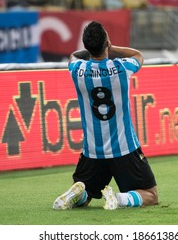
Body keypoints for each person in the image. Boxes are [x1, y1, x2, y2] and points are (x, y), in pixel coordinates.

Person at [53, 21, 158, 210]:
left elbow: (74, 56)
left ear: (87, 45)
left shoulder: (78, 70)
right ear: (106, 42)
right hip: (124, 148)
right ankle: (119, 199)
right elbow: (138, 55)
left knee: (86, 197)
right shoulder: (121, 68)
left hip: (93, 151)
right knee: (150, 194)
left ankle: (79, 194)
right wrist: (111, 47)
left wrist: (93, 48)